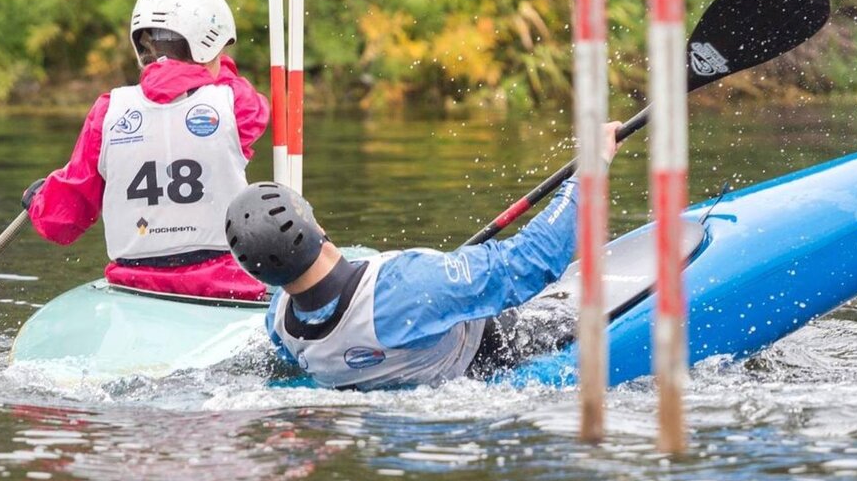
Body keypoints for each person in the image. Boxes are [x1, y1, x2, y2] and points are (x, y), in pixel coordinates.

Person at [224, 124, 622, 388]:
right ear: (317, 228)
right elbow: (536, 260)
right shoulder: (411, 285)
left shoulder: (280, 322)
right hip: (500, 350)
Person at [23, 0, 270, 300]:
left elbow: (62, 222)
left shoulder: (108, 112)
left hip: (134, 290)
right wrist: (210, 70)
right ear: (209, 47)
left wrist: (38, 202)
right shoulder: (236, 103)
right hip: (225, 290)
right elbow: (252, 105)